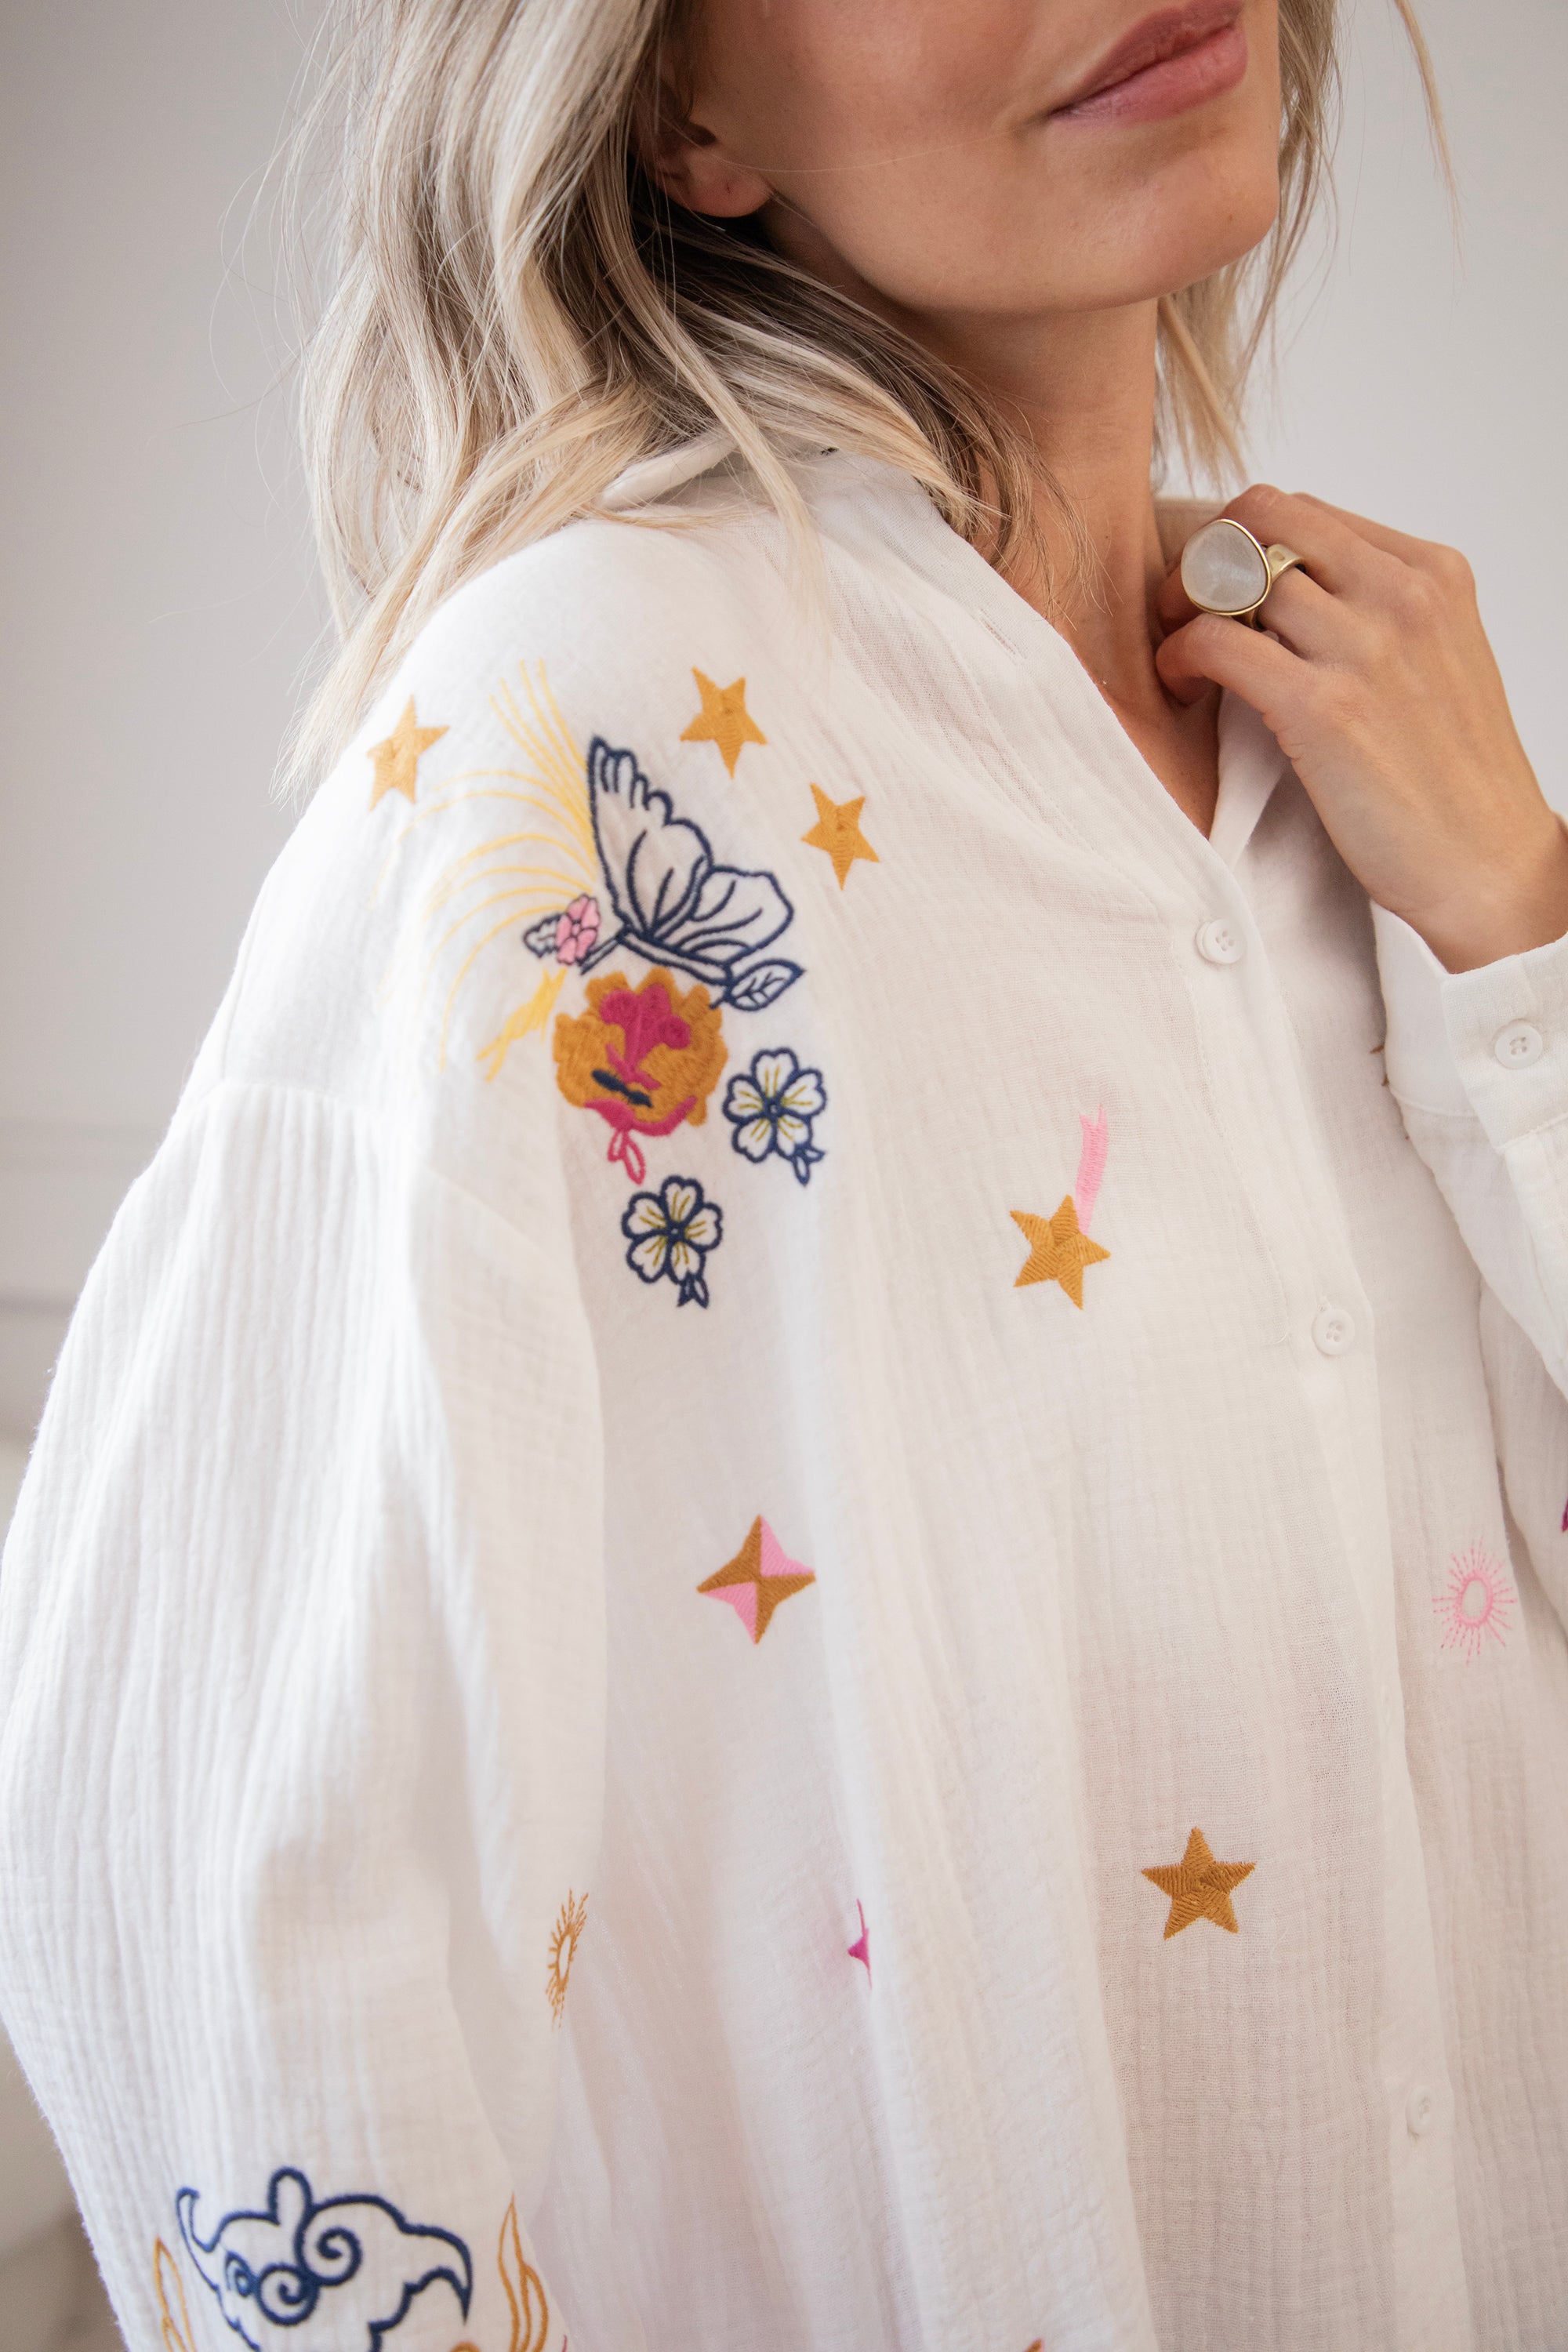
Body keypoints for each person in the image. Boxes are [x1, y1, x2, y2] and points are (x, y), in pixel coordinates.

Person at [2, 2, 1565, 2347]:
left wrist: (1525, 928)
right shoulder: (564, 765)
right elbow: (237, 1884)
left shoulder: (1377, 740)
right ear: (681, 107)